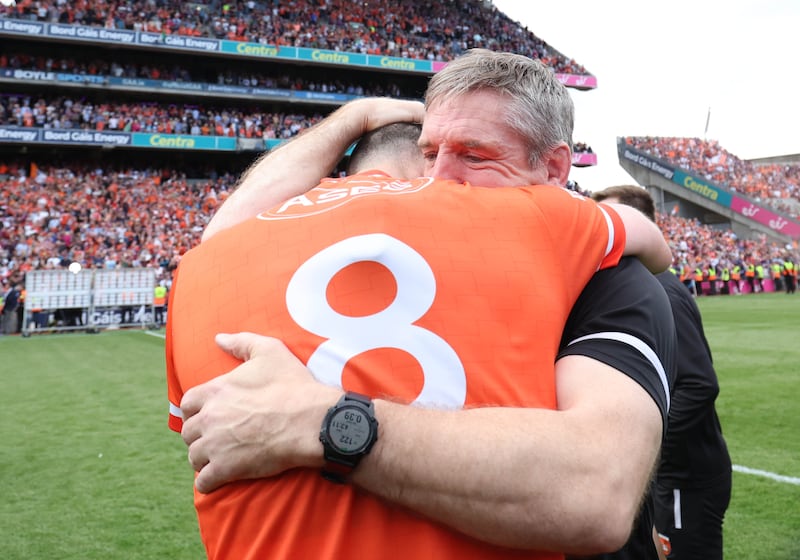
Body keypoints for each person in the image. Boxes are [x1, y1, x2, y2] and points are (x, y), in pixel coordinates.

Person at [169, 49, 675, 559]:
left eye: (474, 156)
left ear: (555, 168)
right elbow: (653, 239)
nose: (438, 181)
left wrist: (321, 422)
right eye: (429, 153)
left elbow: (594, 492)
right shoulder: (534, 223)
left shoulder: (589, 259)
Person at [592, 185, 732, 560]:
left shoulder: (662, 291)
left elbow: (699, 385)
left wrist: (642, 441)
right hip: (667, 474)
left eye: (613, 219)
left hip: (686, 476)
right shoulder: (638, 286)